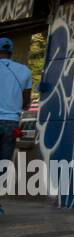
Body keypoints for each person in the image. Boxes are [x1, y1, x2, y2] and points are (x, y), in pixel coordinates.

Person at [0, 36, 33, 217]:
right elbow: (26, 103)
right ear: (11, 52)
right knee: (3, 164)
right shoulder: (24, 71)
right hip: (11, 123)